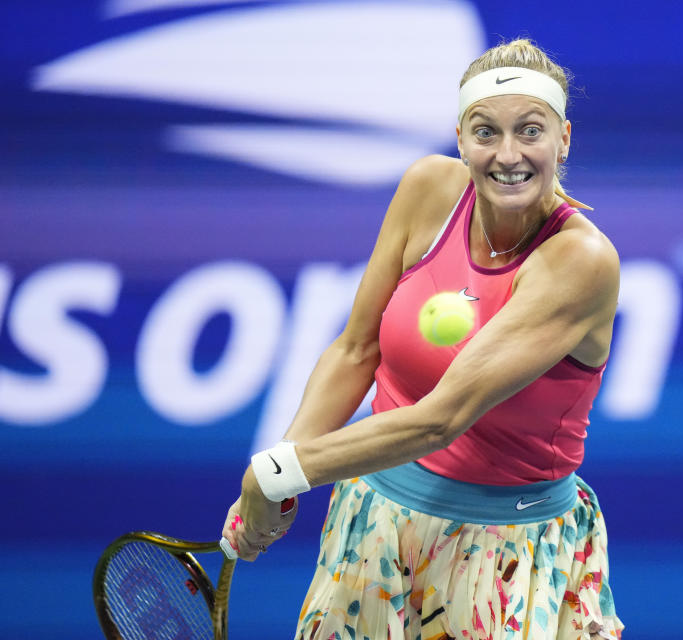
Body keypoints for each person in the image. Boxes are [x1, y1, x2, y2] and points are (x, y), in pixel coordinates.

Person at [222, 38, 624, 640]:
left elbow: (442, 419)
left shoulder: (580, 262)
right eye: (486, 132)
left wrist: (277, 473)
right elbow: (356, 349)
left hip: (504, 554)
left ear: (563, 139)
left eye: (530, 131)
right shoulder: (429, 188)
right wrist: (285, 472)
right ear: (460, 138)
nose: (507, 154)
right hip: (373, 525)